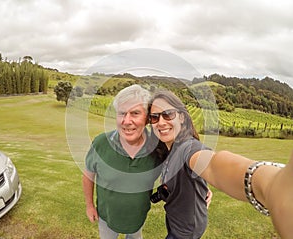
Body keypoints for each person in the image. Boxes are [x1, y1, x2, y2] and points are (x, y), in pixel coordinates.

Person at [148, 89, 293, 239]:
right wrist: (201, 188)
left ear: (182, 117)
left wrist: (270, 186)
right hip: (176, 222)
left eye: (168, 114)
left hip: (185, 232)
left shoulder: (188, 148)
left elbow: (213, 166)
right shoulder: (167, 149)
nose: (161, 122)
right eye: (154, 117)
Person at [82, 84, 166, 239]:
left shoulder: (159, 149)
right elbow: (88, 175)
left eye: (135, 113)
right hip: (106, 218)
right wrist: (89, 206)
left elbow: (179, 170)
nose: (127, 121)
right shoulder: (101, 143)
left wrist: (199, 188)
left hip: (137, 220)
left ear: (147, 118)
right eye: (122, 113)